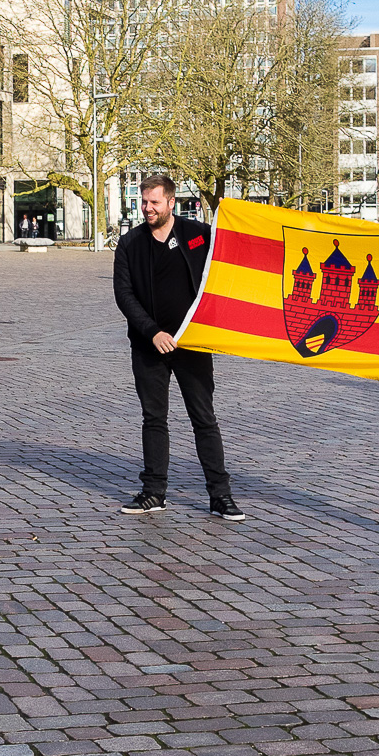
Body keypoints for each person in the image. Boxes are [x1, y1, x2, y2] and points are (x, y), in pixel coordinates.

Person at [111, 173, 243, 520]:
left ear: (172, 202)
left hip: (192, 344)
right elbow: (124, 295)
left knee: (204, 419)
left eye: (154, 202)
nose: (147, 208)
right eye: (144, 201)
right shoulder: (130, 244)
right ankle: (154, 492)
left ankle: (220, 496)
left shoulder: (197, 235)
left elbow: (227, 266)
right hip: (148, 345)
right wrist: (152, 332)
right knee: (154, 419)